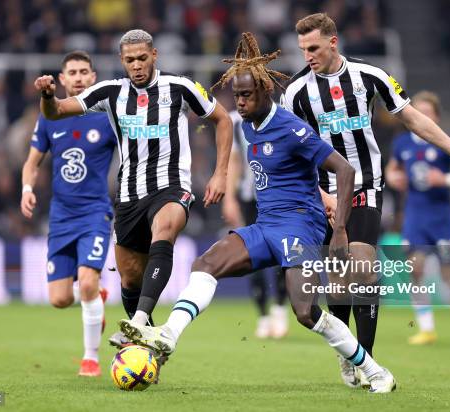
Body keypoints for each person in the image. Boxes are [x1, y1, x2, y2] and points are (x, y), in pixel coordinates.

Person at [119, 32, 398, 394]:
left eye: (247, 95)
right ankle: (168, 336)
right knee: (206, 264)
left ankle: (375, 371)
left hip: (301, 227)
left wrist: (340, 228)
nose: (240, 102)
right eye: (236, 95)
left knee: (304, 313)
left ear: (266, 92)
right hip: (266, 226)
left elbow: (344, 171)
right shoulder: (247, 126)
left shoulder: (291, 127)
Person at [281, 12, 450, 388]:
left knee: (363, 265)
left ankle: (367, 363)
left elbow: (414, 119)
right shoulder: (297, 93)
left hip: (365, 183)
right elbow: (289, 153)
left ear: (333, 42)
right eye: (302, 49)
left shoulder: (371, 76)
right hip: (322, 192)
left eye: (313, 48)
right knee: (338, 279)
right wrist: (322, 196)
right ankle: (347, 353)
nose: (307, 56)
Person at [33, 30, 233, 348]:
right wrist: (47, 96)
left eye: (142, 58)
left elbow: (223, 120)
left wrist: (220, 174)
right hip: (129, 194)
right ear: (121, 61)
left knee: (164, 228)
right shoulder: (109, 93)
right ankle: (146, 342)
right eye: (130, 60)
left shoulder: (181, 87)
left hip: (172, 185)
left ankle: (138, 321)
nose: (137, 65)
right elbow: (56, 111)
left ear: (154, 55)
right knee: (129, 278)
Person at [21, 51, 115, 377]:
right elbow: (32, 163)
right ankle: (94, 297)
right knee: (60, 299)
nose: (77, 77)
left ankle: (91, 358)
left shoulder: (106, 115)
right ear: (62, 79)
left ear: (93, 77)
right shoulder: (50, 115)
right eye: (72, 72)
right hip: (61, 216)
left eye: (83, 71)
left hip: (95, 213)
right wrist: (27, 190)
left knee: (87, 282)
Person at [385, 91, 450, 345]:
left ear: (436, 117)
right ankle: (426, 328)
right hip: (414, 215)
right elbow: (393, 167)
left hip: (441, 216)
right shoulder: (402, 143)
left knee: (447, 274)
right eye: (418, 111)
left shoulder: (444, 143)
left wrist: (445, 179)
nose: (422, 116)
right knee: (416, 269)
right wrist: (392, 177)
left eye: (428, 112)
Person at [222, 109, 289, 339]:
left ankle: (279, 308)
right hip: (250, 199)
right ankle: (263, 315)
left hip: (280, 196)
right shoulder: (234, 120)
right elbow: (234, 160)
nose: (242, 99)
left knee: (282, 253)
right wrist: (229, 198)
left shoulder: (282, 115)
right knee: (252, 255)